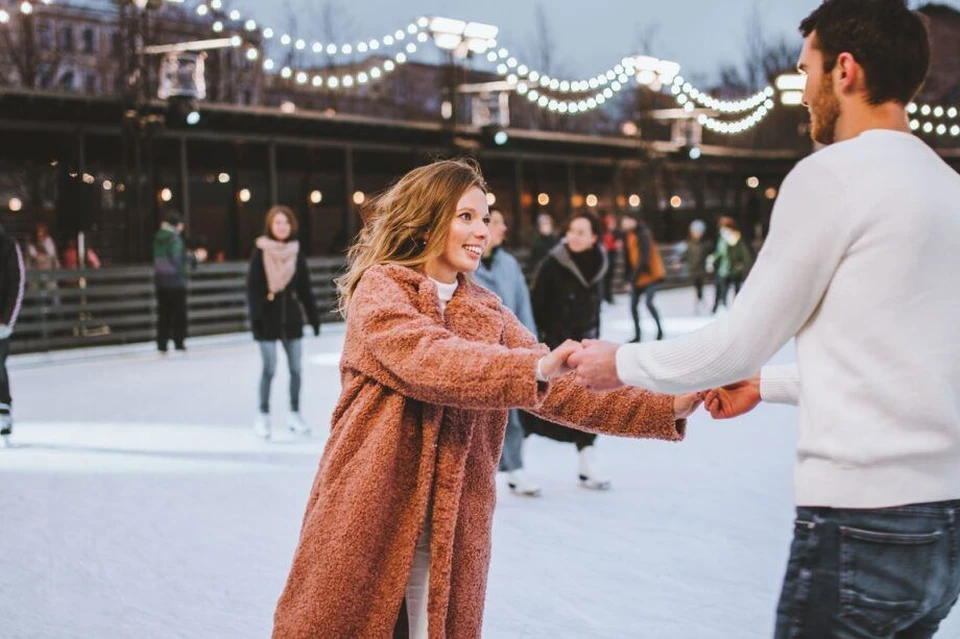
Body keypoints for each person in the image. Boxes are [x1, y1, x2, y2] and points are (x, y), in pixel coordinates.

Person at [569, 1, 960, 636]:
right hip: (943, 526)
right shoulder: (948, 188)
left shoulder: (832, 177)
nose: (803, 92)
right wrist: (769, 386)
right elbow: (913, 364)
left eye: (806, 70)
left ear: (845, 70)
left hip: (862, 521)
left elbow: (737, 342)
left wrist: (622, 364)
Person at [271, 159, 701, 638]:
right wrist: (531, 367)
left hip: (451, 525)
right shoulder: (382, 289)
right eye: (466, 217)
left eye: (486, 217)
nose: (483, 230)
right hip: (370, 512)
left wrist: (668, 404)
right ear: (428, 218)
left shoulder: (486, 309)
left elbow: (560, 391)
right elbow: (429, 360)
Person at [525, 211, 615, 490]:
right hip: (555, 348)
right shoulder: (552, 264)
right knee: (534, 407)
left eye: (581, 231)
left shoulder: (599, 263)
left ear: (593, 237)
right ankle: (513, 465)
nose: (574, 236)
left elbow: (595, 306)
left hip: (586, 348)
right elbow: (534, 306)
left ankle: (587, 462)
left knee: (589, 406)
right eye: (571, 230)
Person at [473, 207, 541, 497]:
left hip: (509, 352)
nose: (500, 229)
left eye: (499, 222)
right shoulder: (465, 264)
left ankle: (514, 468)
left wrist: (531, 345)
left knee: (511, 415)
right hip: (476, 356)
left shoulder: (509, 264)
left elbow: (522, 304)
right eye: (493, 222)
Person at [246, 206, 320, 440]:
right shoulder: (260, 252)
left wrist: (313, 317)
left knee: (296, 370)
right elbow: (253, 289)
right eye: (278, 223)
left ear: (291, 227)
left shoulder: (296, 253)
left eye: (286, 223)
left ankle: (294, 414)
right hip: (266, 318)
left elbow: (305, 289)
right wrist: (255, 320)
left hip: (291, 318)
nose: (282, 227)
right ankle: (263, 415)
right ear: (270, 225)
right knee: (269, 369)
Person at [152, 212, 203, 354]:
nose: (182, 227)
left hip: (161, 280)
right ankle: (179, 342)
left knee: (163, 313)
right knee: (179, 313)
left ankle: (162, 343)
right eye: (181, 224)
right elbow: (177, 260)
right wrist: (194, 258)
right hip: (176, 281)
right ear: (176, 224)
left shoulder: (158, 237)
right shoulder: (174, 238)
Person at [0, 224, 25, 446]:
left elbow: (17, 283)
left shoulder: (7, 245)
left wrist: (7, 320)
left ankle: (3, 413)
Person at [622, 215, 665, 343]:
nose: (624, 223)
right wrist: (627, 278)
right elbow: (627, 260)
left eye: (626, 220)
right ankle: (637, 334)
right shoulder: (627, 236)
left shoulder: (644, 234)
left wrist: (632, 279)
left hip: (651, 275)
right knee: (633, 306)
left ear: (634, 221)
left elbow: (643, 258)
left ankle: (660, 331)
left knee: (649, 303)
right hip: (638, 278)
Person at [708, 217, 753, 314]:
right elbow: (719, 252)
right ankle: (723, 308)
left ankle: (737, 309)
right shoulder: (722, 238)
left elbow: (744, 253)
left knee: (736, 290)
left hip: (735, 269)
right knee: (723, 290)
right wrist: (711, 259)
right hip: (724, 270)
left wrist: (742, 264)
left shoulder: (737, 238)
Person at [682, 220, 709, 314]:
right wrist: (679, 261)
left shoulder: (705, 244)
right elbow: (685, 255)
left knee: (700, 287)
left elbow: (708, 255)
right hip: (693, 269)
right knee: (695, 287)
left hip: (701, 269)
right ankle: (697, 303)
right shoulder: (689, 244)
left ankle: (700, 301)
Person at [600, 211, 622, 303]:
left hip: (612, 255)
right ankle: (604, 295)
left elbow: (618, 244)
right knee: (604, 278)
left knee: (609, 277)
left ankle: (608, 296)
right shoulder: (603, 232)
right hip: (605, 256)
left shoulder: (616, 233)